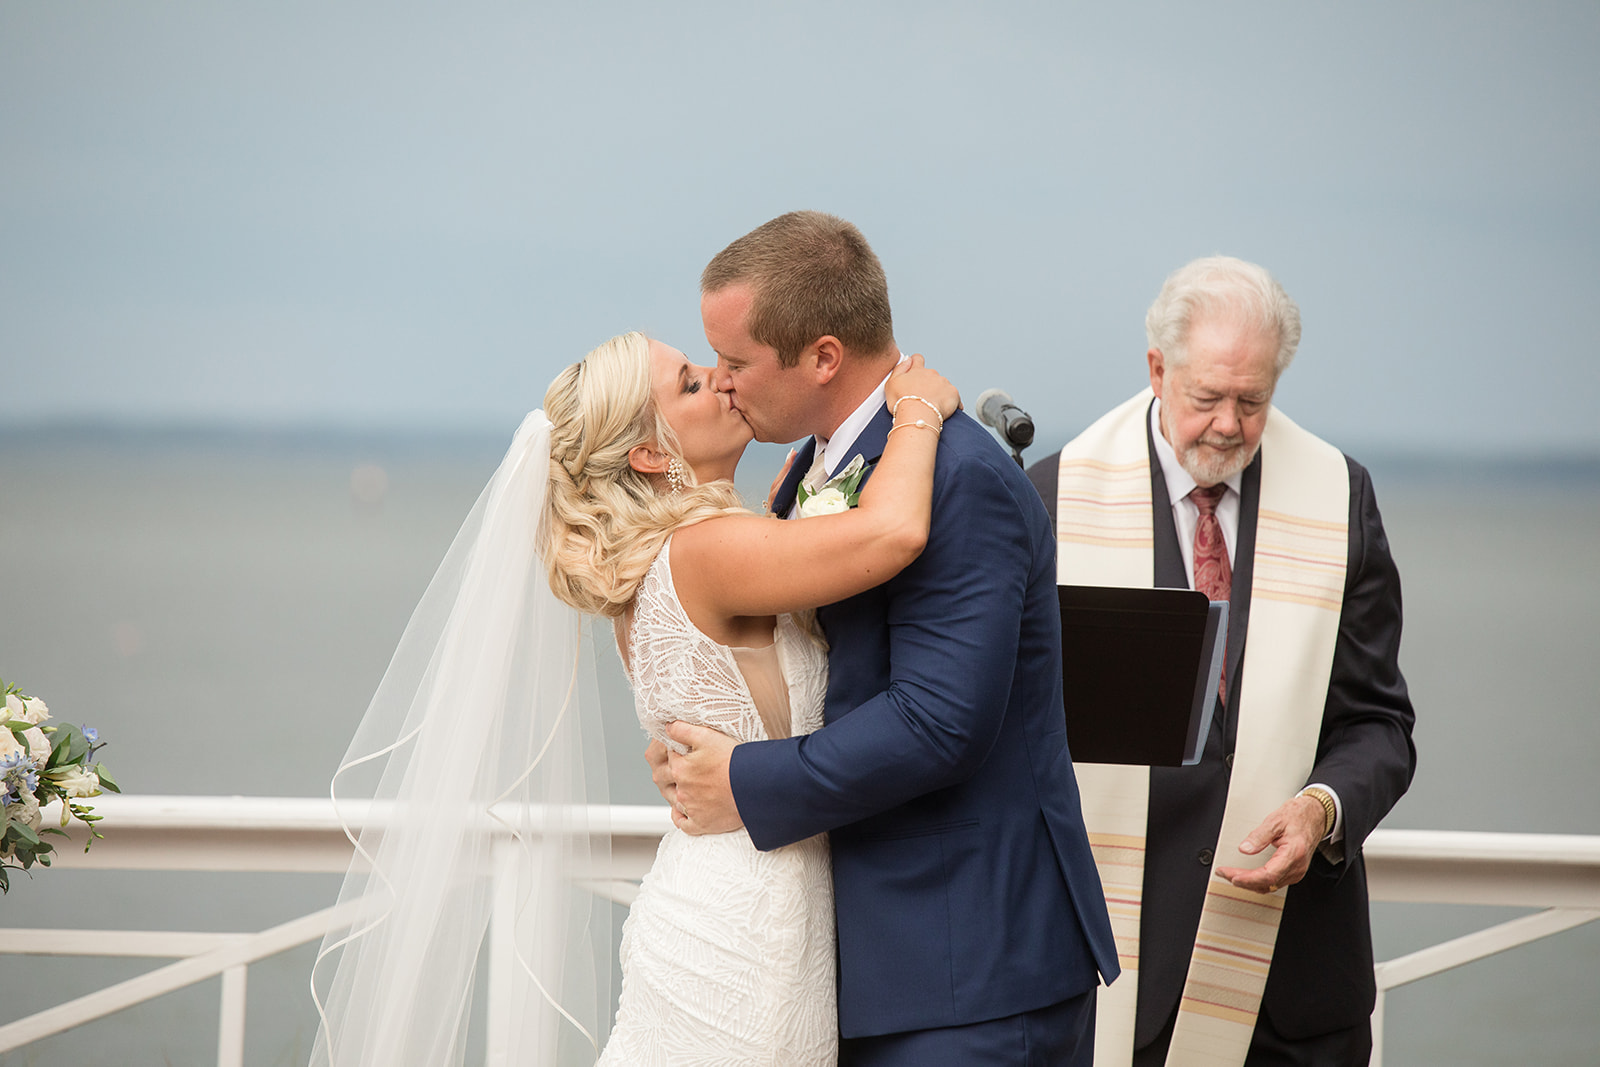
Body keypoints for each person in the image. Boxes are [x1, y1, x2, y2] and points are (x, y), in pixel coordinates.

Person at [309, 328, 960, 1067]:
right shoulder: (707, 552)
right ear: (650, 453)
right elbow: (895, 532)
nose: (719, 378)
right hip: (747, 940)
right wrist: (918, 413)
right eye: (688, 383)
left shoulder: (664, 561)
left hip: (723, 905)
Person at [654, 210, 1121, 1066]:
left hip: (968, 963)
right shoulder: (810, 467)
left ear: (823, 356)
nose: (723, 383)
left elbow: (939, 720)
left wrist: (744, 777)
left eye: (737, 361)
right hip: (873, 958)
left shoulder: (959, 477)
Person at [1025, 256, 1417, 1066]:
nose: (1231, 425)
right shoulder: (1051, 497)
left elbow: (1378, 722)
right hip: (1109, 968)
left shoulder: (1340, 497)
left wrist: (1320, 809)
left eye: (1254, 400)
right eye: (1207, 399)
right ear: (1157, 369)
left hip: (1291, 981)